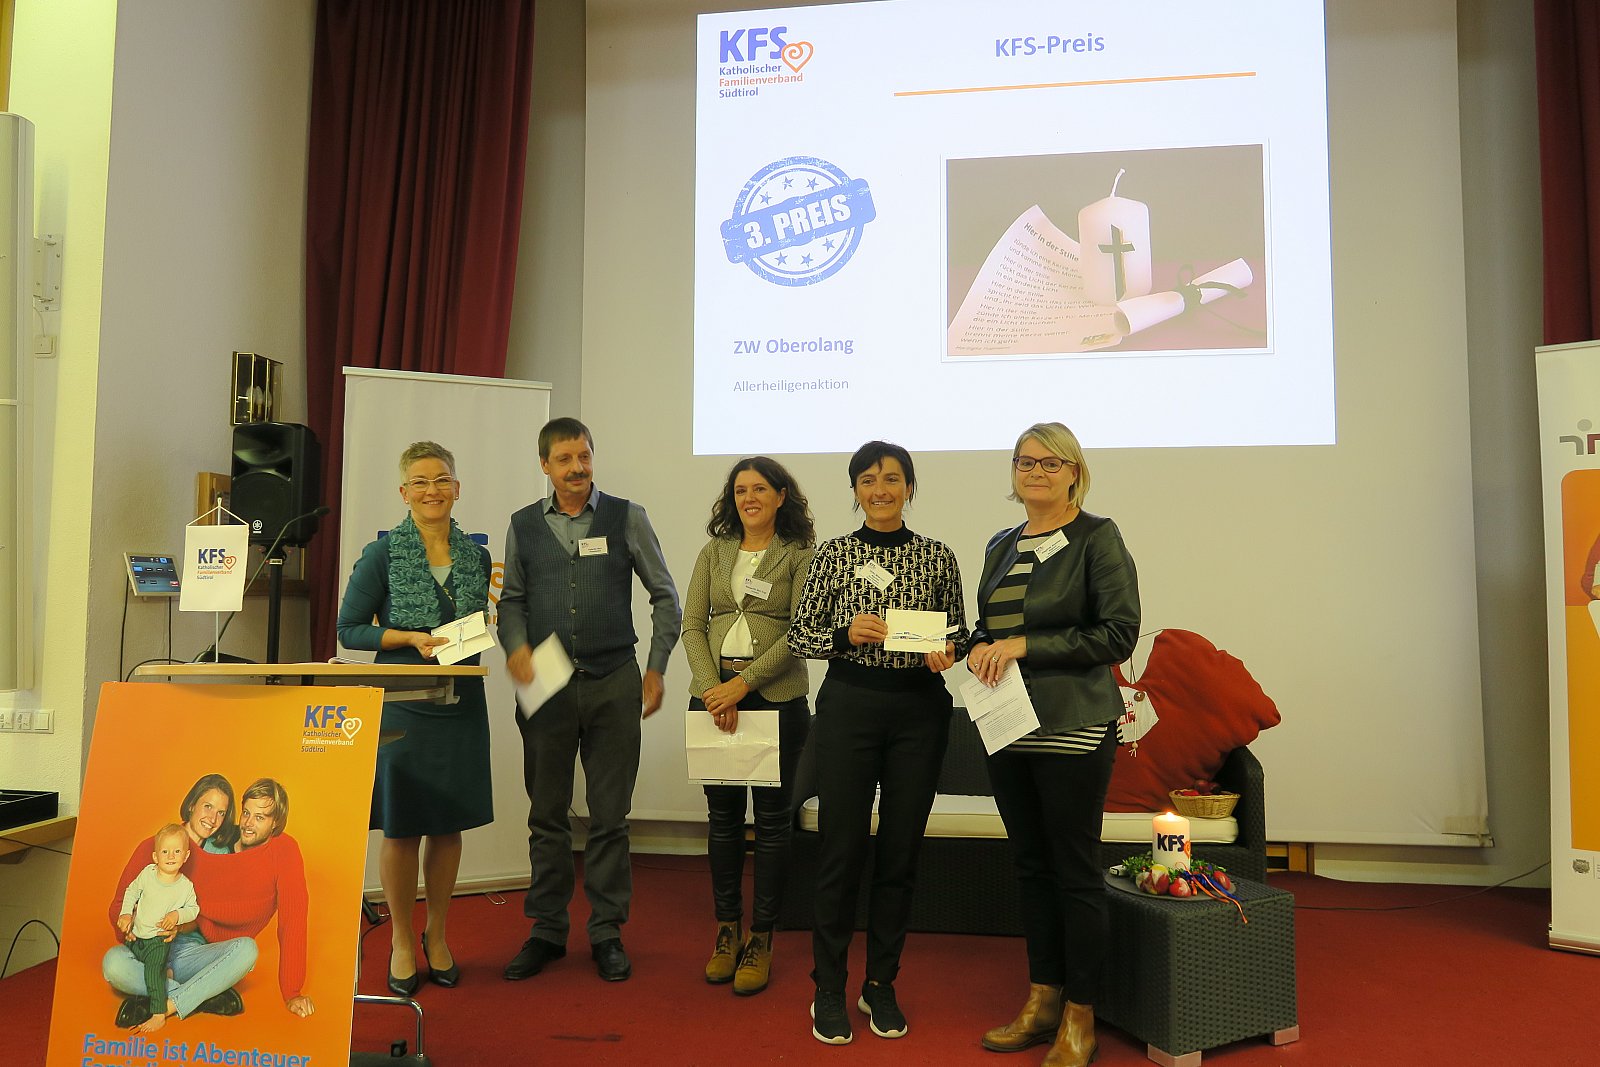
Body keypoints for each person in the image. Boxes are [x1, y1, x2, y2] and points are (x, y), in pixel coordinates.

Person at [968, 422, 1139, 1067]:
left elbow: (1117, 633)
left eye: (1049, 462)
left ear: (1074, 472)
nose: (1035, 472)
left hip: (1072, 724)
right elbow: (990, 626)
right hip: (1007, 724)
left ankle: (1080, 1014)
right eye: (1025, 461)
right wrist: (972, 646)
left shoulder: (1097, 536)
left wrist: (1025, 645)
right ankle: (1042, 997)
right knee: (1031, 865)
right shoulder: (1001, 544)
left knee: (1073, 868)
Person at [788, 440, 969, 1045]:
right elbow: (802, 635)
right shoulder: (834, 554)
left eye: (892, 478)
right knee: (840, 850)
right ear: (855, 491)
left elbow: (959, 633)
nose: (880, 489)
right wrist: (846, 633)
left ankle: (881, 983)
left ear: (910, 488)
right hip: (850, 707)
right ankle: (827, 986)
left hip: (920, 711)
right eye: (868, 479)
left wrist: (949, 652)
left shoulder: (937, 556)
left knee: (900, 852)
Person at [498, 417, 681, 983]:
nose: (577, 468)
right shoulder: (523, 525)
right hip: (546, 684)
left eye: (584, 456)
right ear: (545, 466)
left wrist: (655, 667)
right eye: (564, 459)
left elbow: (665, 597)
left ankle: (606, 932)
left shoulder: (627, 517)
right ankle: (547, 930)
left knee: (609, 817)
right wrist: (516, 647)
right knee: (546, 814)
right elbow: (511, 601)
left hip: (613, 681)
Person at [337, 440, 494, 995]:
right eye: (421, 482)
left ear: (457, 488)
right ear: (404, 493)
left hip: (461, 701)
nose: (433, 490)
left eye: (442, 479)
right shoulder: (381, 554)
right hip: (404, 704)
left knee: (448, 825)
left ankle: (438, 934)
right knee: (403, 826)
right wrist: (406, 637)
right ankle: (402, 940)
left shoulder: (476, 556)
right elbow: (349, 629)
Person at [681, 456, 816, 995]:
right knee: (722, 820)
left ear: (781, 496)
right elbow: (692, 625)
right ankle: (726, 929)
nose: (749, 498)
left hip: (775, 699)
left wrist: (743, 685)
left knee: (774, 822)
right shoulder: (714, 552)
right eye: (740, 490)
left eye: (760, 489)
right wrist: (713, 688)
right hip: (713, 698)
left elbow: (801, 631)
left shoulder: (800, 553)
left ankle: (762, 936)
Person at [103, 774, 258, 1028]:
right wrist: (127, 923)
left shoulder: (220, 855)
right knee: (113, 965)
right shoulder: (153, 846)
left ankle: (165, 1001)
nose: (212, 819)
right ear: (192, 805)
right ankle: (202, 995)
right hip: (146, 948)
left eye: (221, 813)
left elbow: (207, 916)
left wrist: (180, 927)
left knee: (247, 950)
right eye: (207, 806)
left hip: (187, 953)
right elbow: (119, 904)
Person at [115, 823, 201, 1033]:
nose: (171, 856)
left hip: (158, 941)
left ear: (186, 856)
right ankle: (170, 977)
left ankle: (158, 1012)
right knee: (125, 961)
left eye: (177, 851)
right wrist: (126, 914)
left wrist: (177, 915)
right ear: (155, 857)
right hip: (136, 937)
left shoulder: (185, 886)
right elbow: (131, 891)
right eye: (165, 851)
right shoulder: (147, 873)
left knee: (153, 972)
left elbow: (193, 910)